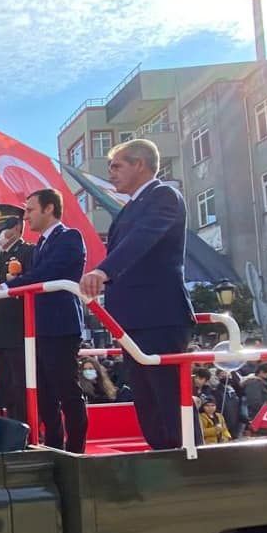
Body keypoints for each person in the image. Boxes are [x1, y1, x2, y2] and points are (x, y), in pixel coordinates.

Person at [80, 139, 195, 450]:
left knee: (170, 399)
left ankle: (196, 470)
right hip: (131, 319)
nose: (111, 173)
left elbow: (143, 239)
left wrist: (103, 272)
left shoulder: (164, 196)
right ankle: (162, 462)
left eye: (117, 165)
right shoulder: (130, 207)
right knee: (146, 401)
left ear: (139, 165)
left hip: (159, 315)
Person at [3, 188, 88, 453]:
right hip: (38, 327)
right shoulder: (41, 244)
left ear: (49, 208)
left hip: (60, 326)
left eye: (30, 210)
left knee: (67, 391)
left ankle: (75, 451)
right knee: (45, 395)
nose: (25, 217)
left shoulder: (69, 237)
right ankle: (54, 446)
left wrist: (7, 287)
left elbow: (46, 273)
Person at [0, 203, 34, 422]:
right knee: (4, 388)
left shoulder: (28, 252)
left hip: (18, 331)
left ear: (17, 226)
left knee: (19, 386)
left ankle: (25, 428)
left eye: (3, 226)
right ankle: (11, 426)